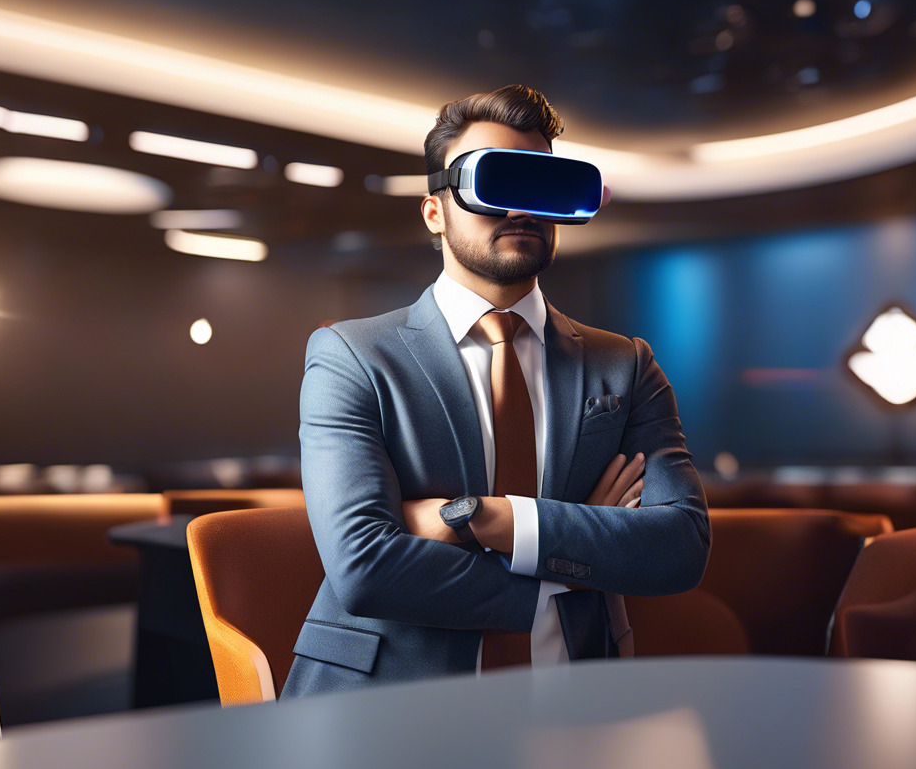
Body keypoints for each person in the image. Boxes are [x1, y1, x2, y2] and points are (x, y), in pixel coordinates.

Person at [284, 85, 710, 697]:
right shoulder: (352, 356)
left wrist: (490, 518)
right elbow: (363, 569)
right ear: (435, 211)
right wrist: (584, 546)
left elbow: (679, 548)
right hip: (385, 706)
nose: (520, 209)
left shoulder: (625, 364)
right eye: (495, 183)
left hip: (578, 700)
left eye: (537, 185)